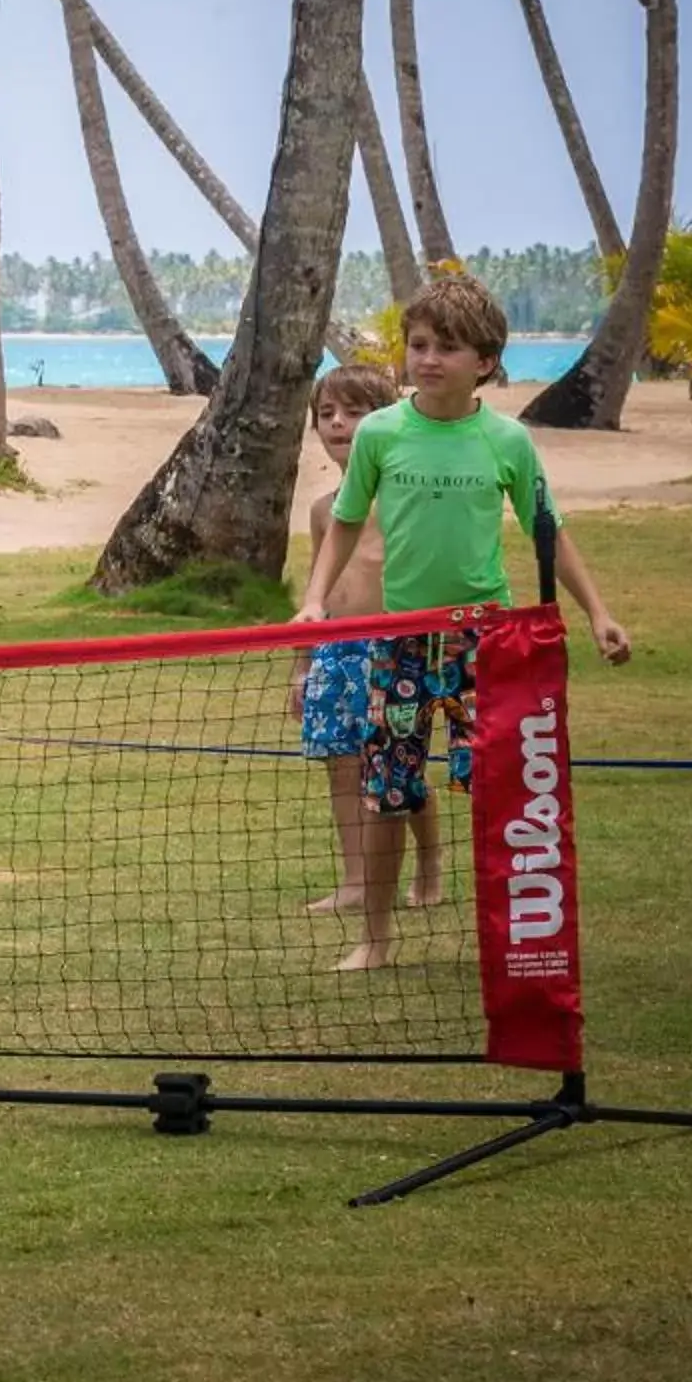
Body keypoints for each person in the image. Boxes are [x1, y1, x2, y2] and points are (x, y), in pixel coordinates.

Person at [297, 275, 632, 971]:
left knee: (498, 795)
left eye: (447, 347)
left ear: (485, 362)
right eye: (419, 345)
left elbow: (549, 529)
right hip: (400, 642)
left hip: (485, 641)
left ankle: (504, 936)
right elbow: (344, 524)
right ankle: (376, 941)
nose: (428, 358)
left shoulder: (507, 440)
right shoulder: (382, 433)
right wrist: (315, 602)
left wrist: (598, 613)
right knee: (388, 790)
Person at [290, 362, 443, 941]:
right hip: (335, 651)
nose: (337, 423)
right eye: (326, 413)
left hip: (395, 649)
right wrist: (302, 665)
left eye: (353, 412)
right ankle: (355, 880)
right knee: (342, 766)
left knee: (399, 768)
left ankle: (429, 863)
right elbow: (316, 586)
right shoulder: (324, 509)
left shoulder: (405, 495)